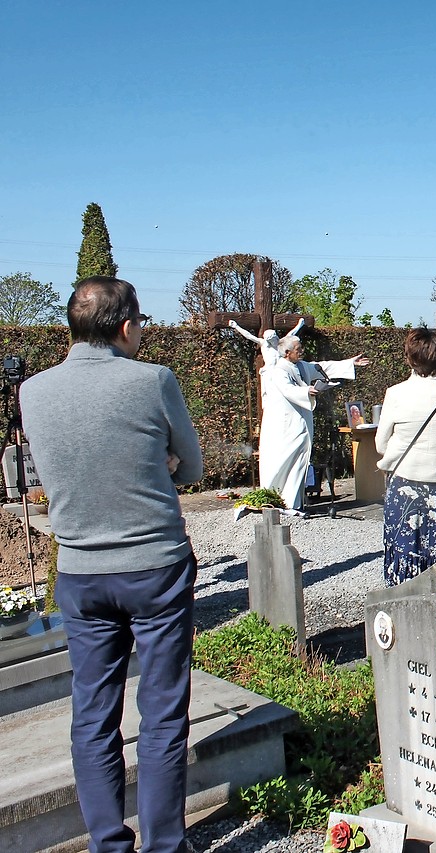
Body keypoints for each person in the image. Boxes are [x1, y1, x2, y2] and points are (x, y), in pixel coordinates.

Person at [21, 277, 204, 853]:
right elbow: (193, 468)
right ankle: (164, 846)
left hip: (79, 569)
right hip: (153, 564)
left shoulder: (32, 391)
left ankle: (107, 843)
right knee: (162, 713)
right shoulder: (152, 380)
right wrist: (159, 466)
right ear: (126, 326)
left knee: (93, 715)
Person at [376, 328, 436, 586]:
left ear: (409, 358)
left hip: (405, 481)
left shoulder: (396, 393)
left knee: (404, 551)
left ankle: (404, 609)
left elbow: (381, 444)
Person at [258, 335, 370, 513]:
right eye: (298, 349)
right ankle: (276, 502)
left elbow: (322, 367)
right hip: (284, 428)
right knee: (283, 463)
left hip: (301, 426)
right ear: (287, 353)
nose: (302, 351)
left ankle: (294, 503)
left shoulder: (301, 366)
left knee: (298, 464)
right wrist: (307, 390)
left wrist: (349, 363)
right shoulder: (278, 370)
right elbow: (287, 389)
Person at [227, 316, 306, 368]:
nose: (274, 340)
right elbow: (248, 336)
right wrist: (236, 326)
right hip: (268, 371)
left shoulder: (280, 343)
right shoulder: (263, 343)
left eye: (275, 338)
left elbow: (291, 334)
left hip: (280, 370)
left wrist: (300, 324)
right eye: (272, 340)